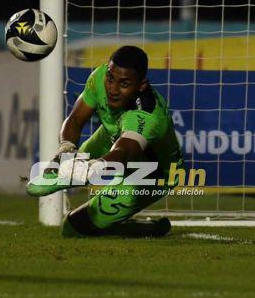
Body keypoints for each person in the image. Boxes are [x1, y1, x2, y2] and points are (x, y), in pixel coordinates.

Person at [26, 46, 183, 238]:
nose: (113, 89)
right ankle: (113, 219)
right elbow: (75, 120)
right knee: (69, 165)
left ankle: (147, 229)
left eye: (124, 83)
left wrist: (92, 168)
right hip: (113, 136)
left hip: (151, 171)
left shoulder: (147, 115)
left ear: (141, 85)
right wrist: (65, 149)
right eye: (111, 79)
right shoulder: (99, 76)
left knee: (74, 227)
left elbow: (123, 154)